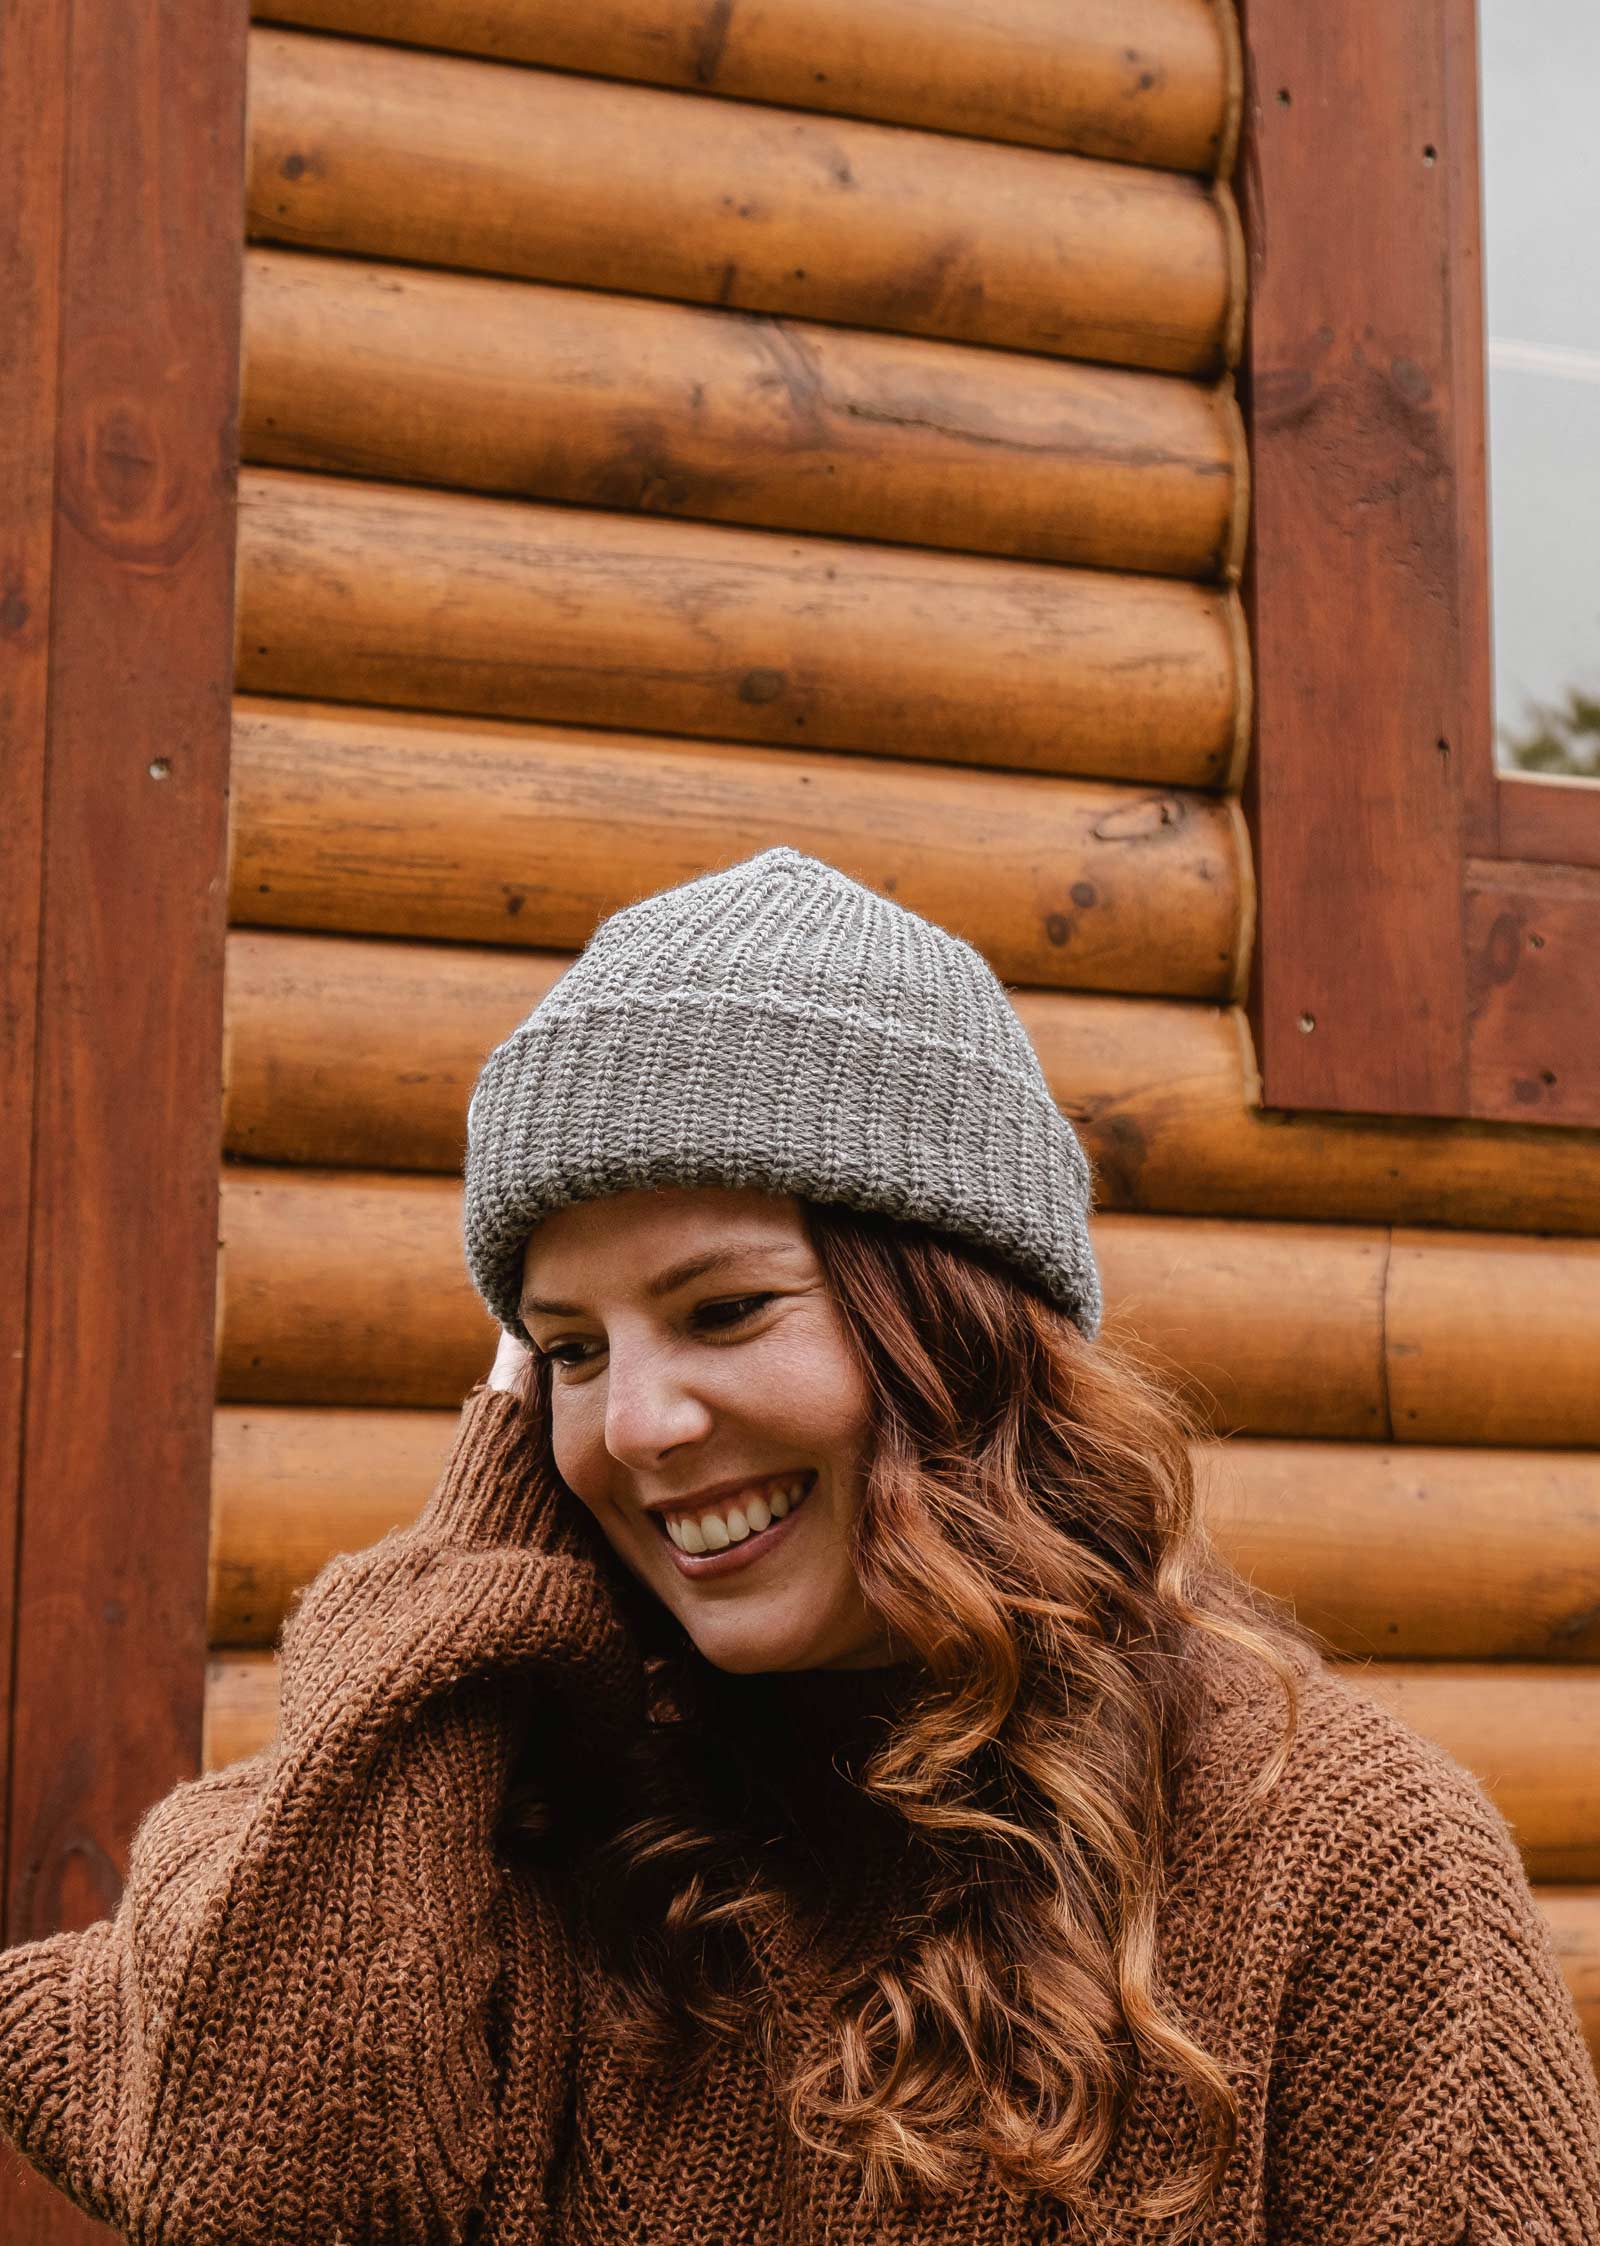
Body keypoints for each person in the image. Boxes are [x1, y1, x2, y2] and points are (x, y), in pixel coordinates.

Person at [1, 844, 1596, 2243]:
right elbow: (256, 2163)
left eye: (723, 1309)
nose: (633, 1423)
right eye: (564, 1350)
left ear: (957, 1329)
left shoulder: (1342, 1865)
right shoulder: (530, 1842)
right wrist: (474, 1546)